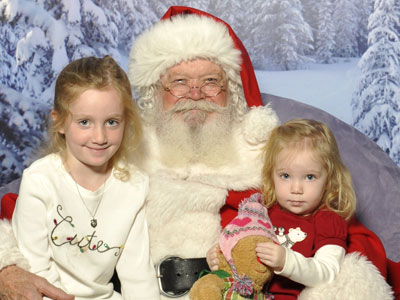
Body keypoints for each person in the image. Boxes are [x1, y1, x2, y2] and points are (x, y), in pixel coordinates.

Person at [0, 6, 395, 300]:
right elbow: (27, 208)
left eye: (210, 81)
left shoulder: (269, 161)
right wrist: (6, 266)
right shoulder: (117, 153)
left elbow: (341, 233)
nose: (195, 94)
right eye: (179, 82)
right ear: (156, 92)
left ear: (234, 93)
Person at [11, 56, 160, 299]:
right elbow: (36, 275)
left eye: (112, 122)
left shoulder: (134, 185)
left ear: (126, 122)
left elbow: (138, 277)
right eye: (84, 122)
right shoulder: (40, 181)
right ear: (59, 121)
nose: (100, 137)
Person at [259, 119, 355, 298]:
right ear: (271, 174)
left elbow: (328, 274)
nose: (296, 189)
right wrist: (221, 256)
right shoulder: (263, 209)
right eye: (285, 176)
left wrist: (287, 262)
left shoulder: (328, 220)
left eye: (310, 177)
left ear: (329, 179)